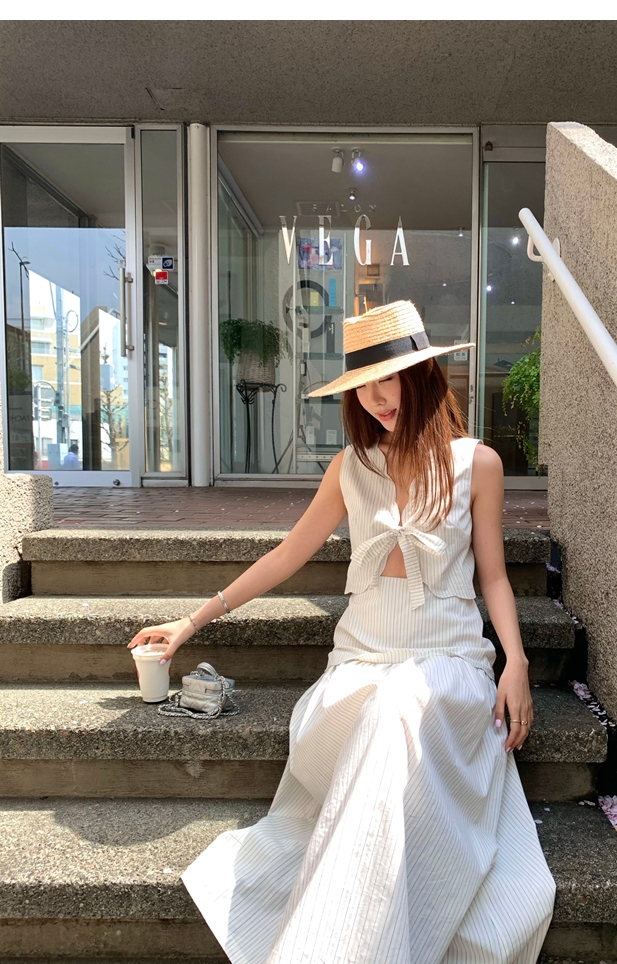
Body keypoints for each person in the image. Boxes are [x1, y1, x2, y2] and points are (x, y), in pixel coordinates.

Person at [127, 300, 556, 964]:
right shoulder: (351, 468)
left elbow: (495, 578)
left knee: (396, 709)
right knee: (382, 708)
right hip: (360, 663)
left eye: (390, 378)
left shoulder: (478, 464)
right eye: (363, 385)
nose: (377, 398)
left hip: (447, 661)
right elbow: (286, 556)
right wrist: (190, 621)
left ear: (423, 375)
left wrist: (516, 664)